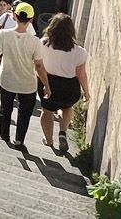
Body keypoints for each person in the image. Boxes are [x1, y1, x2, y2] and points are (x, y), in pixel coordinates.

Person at [0, 2, 50, 148]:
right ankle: (19, 140)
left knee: (5, 109)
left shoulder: (3, 34)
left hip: (7, 81)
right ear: (31, 20)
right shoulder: (35, 42)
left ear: (14, 16)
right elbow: (39, 66)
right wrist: (46, 86)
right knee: (24, 114)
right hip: (28, 85)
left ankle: (4, 135)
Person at [38, 14, 90, 152]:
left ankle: (49, 141)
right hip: (70, 86)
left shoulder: (42, 43)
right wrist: (86, 92)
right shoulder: (80, 52)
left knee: (47, 111)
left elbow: (39, 66)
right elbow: (81, 74)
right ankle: (62, 131)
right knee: (67, 108)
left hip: (48, 82)